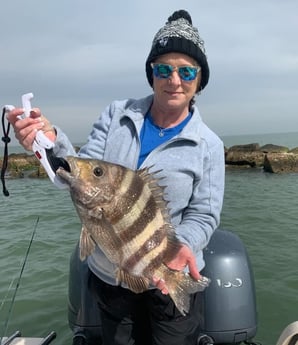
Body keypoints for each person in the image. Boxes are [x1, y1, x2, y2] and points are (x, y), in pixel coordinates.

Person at [7, 9, 225, 345]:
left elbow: (205, 214)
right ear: (152, 73)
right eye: (164, 69)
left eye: (186, 71)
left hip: (169, 275)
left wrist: (182, 247)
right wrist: (48, 140)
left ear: (200, 80)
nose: (174, 79)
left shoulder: (209, 145)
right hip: (109, 277)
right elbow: (79, 169)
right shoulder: (118, 115)